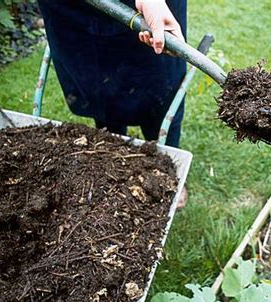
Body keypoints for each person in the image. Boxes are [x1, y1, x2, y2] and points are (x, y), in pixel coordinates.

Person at [37, 0, 188, 206]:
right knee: (98, 89)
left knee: (161, 89)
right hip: (75, 11)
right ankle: (112, 160)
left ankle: (167, 169)